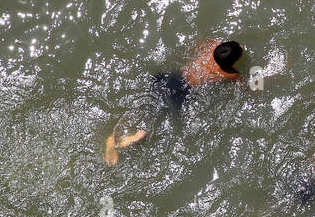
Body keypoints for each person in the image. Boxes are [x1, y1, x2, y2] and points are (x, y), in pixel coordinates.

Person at [103, 39, 244, 163]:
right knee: (158, 123)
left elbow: (193, 48)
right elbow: (244, 88)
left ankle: (115, 136)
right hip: (182, 92)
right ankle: (128, 140)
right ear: (234, 62)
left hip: (172, 77)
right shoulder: (230, 74)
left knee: (145, 105)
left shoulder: (211, 45)